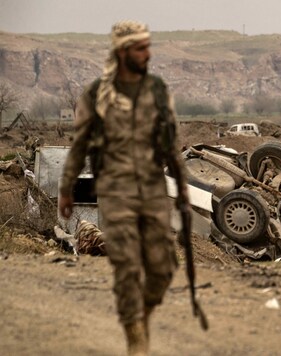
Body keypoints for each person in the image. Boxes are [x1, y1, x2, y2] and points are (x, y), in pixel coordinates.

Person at [58, 20, 188, 356]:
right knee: (128, 264)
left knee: (162, 267)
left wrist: (183, 187)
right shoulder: (94, 95)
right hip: (114, 189)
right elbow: (79, 145)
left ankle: (141, 314)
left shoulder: (158, 91)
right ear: (122, 51)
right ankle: (135, 339)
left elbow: (171, 143)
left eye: (148, 46)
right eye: (140, 47)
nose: (148, 53)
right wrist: (67, 188)